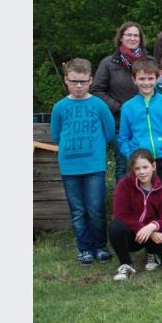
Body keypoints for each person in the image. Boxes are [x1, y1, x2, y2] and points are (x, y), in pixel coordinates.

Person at [51, 58, 116, 265]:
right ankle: (85, 248)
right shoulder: (60, 107)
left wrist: (94, 149)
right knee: (78, 210)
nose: (78, 85)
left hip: (94, 166)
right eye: (74, 81)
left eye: (82, 81)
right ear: (66, 80)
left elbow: (109, 132)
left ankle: (100, 247)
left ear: (90, 81)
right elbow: (56, 135)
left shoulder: (99, 104)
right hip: (70, 167)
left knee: (96, 208)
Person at [109, 149, 162, 280]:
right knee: (115, 227)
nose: (142, 172)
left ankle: (152, 252)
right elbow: (121, 214)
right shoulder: (125, 185)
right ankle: (125, 264)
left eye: (145, 167)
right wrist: (144, 229)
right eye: (137, 168)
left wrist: (152, 227)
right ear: (133, 170)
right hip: (134, 234)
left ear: (153, 166)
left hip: (154, 234)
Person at [91, 22, 151, 184]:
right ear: (120, 38)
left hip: (147, 123)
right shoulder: (109, 63)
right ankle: (123, 206)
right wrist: (119, 107)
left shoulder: (150, 61)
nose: (132, 38)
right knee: (124, 166)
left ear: (141, 39)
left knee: (148, 166)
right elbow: (96, 91)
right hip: (119, 123)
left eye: (136, 35)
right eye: (128, 35)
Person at [117, 59, 162, 191]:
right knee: (141, 197)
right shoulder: (128, 106)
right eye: (141, 79)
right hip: (139, 162)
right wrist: (130, 155)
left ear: (157, 77)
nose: (146, 83)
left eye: (150, 78)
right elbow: (123, 137)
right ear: (134, 79)